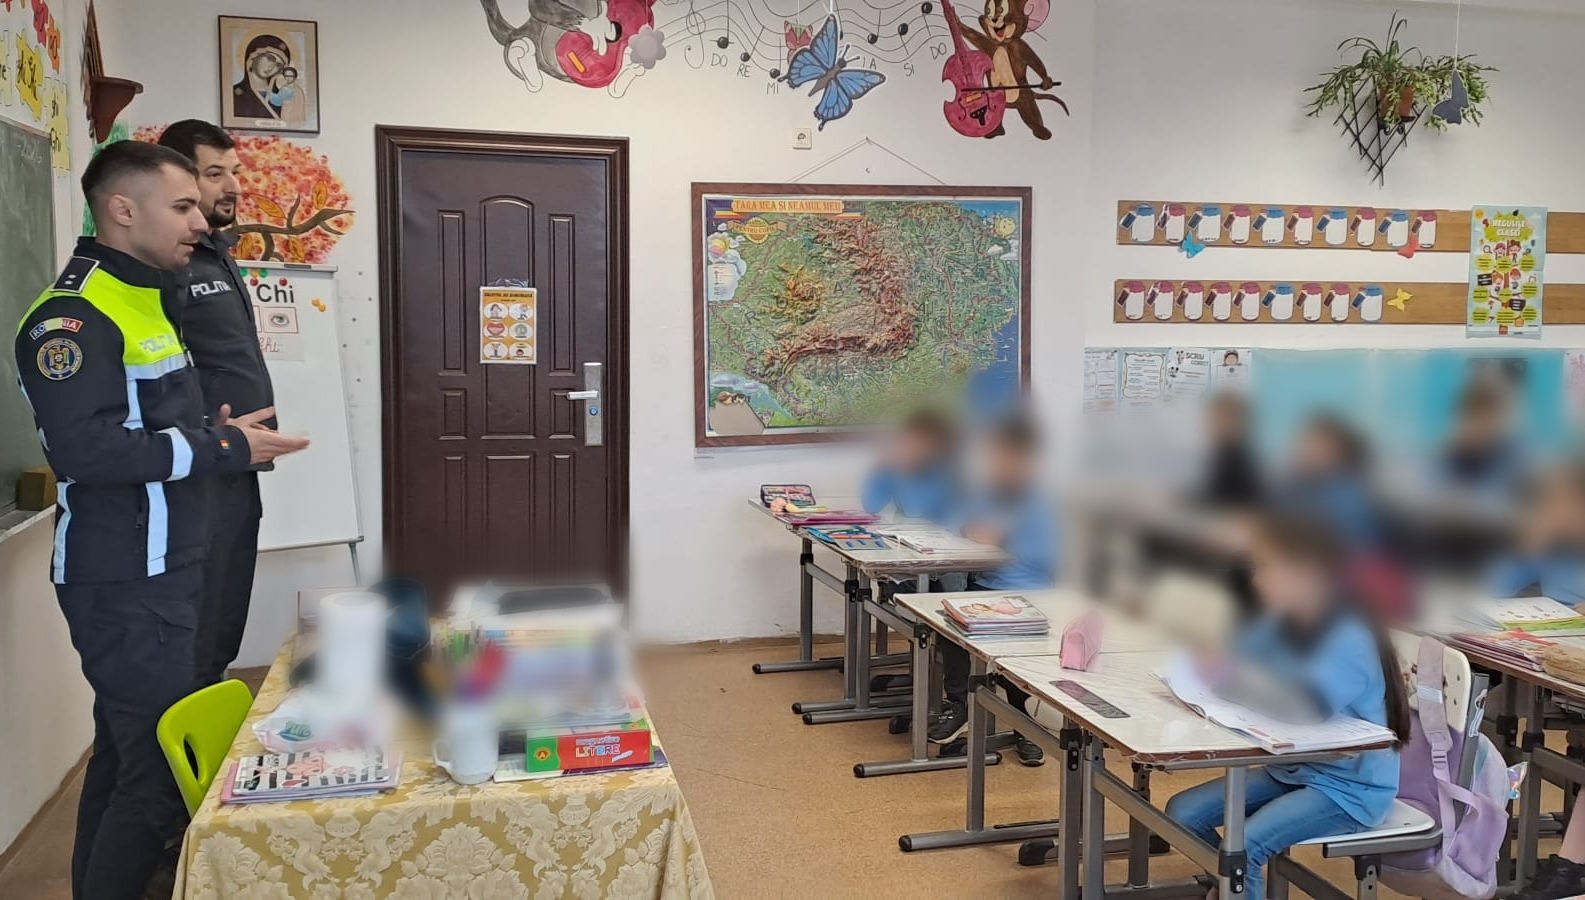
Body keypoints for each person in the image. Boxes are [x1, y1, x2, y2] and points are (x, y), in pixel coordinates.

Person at [13, 141, 309, 900]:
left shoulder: (149, 295)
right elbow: (87, 451)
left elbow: (150, 425)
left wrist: (210, 431)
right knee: (155, 784)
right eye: (180, 206)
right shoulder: (72, 318)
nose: (199, 221)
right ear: (122, 209)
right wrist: (220, 446)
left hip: (172, 560)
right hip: (123, 575)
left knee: (127, 757)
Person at [1164, 513, 1408, 900]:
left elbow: (1304, 706)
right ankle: (1232, 889)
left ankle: (1236, 886)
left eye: (1265, 566)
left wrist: (1227, 677)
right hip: (1293, 768)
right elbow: (1237, 656)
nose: (1256, 579)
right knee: (1182, 814)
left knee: (1244, 850)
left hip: (1348, 789)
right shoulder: (1282, 621)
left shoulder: (1350, 636)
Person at [158, 120, 284, 687]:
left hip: (236, 464)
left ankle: (207, 722)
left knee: (224, 624)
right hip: (197, 470)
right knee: (197, 633)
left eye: (233, 172)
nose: (232, 185)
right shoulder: (167, 263)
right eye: (215, 174)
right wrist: (207, 431)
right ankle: (185, 737)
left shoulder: (215, 254)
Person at [930, 415, 1058, 766]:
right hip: (984, 589)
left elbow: (1050, 555)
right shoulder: (985, 493)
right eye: (996, 457)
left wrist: (1003, 538)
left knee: (1015, 660)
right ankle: (961, 705)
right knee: (947, 620)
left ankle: (1027, 726)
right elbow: (957, 524)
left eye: (1010, 458)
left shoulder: (1044, 501)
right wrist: (973, 530)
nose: (1001, 465)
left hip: (1032, 596)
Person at [1488, 461, 1585, 606]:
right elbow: (1494, 589)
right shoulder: (1550, 547)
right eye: (1549, 502)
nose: (1555, 511)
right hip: (1557, 618)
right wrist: (1526, 547)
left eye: (1564, 502)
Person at [861, 409, 958, 523]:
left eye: (921, 441)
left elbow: (914, 510)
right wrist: (878, 469)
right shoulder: (896, 467)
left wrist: (905, 471)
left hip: (939, 528)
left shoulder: (940, 472)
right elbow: (871, 506)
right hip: (909, 529)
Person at [231, 33, 290, 120]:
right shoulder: (234, 93)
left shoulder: (281, 97)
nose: (271, 67)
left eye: (278, 65)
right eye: (270, 58)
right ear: (254, 55)